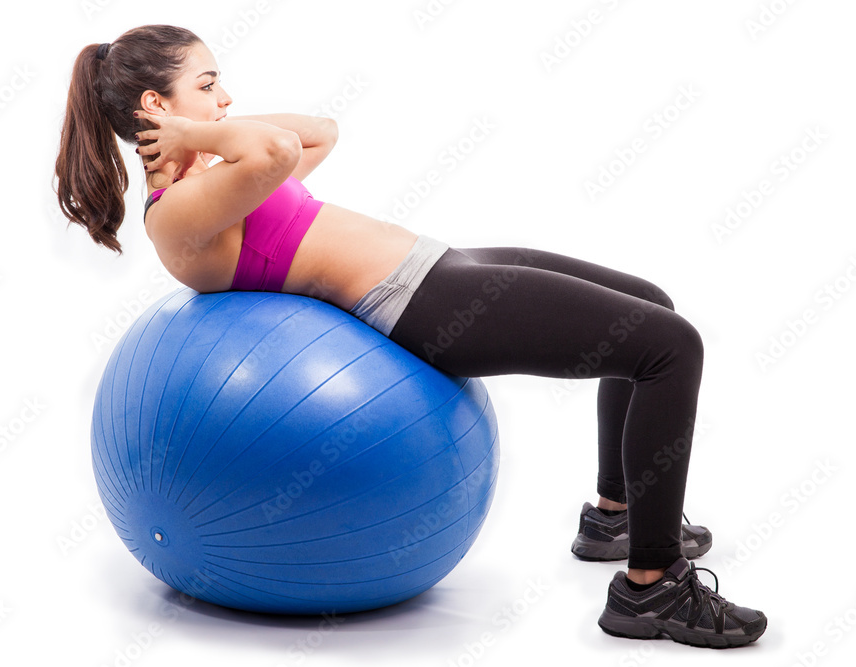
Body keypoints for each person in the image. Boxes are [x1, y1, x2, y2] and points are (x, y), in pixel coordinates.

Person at [54, 24, 767, 648]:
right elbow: (273, 150)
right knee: (672, 347)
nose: (226, 101)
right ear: (157, 107)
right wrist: (193, 139)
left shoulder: (220, 174)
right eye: (209, 86)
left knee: (652, 304)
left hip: (445, 263)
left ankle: (616, 515)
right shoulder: (179, 212)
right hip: (423, 303)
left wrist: (196, 132)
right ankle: (652, 585)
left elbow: (319, 132)